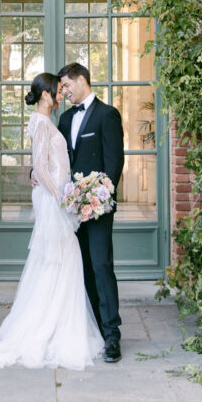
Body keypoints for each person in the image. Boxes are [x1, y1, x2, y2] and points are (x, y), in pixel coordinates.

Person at [0, 72, 104, 373]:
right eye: (57, 91)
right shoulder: (41, 123)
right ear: (46, 95)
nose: (61, 95)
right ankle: (49, 328)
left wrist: (64, 193)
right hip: (52, 201)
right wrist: (64, 197)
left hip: (53, 198)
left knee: (59, 260)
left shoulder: (43, 122)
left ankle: (59, 324)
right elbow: (41, 168)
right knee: (61, 258)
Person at [57, 63, 125, 363]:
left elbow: (114, 163)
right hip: (70, 209)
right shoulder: (65, 118)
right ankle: (93, 328)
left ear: (81, 79)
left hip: (97, 208)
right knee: (80, 271)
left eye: (67, 85)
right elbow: (57, 159)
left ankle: (111, 335)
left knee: (101, 266)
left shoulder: (107, 114)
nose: (64, 91)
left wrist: (101, 198)